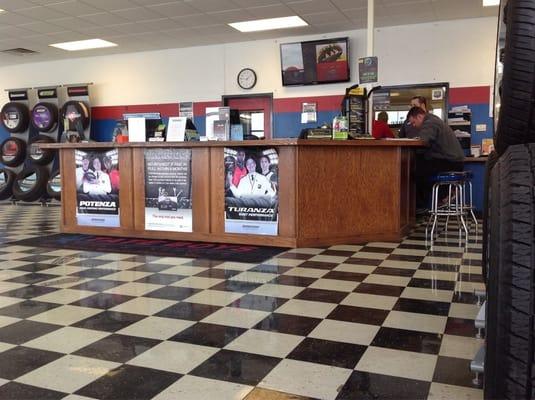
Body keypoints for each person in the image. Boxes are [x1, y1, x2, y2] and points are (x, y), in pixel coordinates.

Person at [407, 106, 464, 209]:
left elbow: (424, 140)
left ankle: (444, 194)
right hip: (453, 161)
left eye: (414, 122)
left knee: (415, 173)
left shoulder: (430, 122)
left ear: (420, 116)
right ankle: (444, 193)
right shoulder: (434, 120)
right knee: (419, 169)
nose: (414, 126)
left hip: (450, 162)